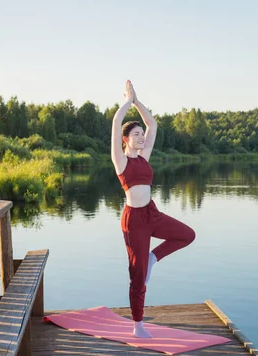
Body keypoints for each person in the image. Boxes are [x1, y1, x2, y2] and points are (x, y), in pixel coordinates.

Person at [111, 80, 196, 338]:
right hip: (134, 220)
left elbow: (153, 125)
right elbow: (116, 125)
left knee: (187, 235)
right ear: (126, 140)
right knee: (137, 276)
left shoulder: (144, 156)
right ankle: (138, 325)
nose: (141, 137)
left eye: (141, 135)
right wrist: (126, 102)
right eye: (136, 135)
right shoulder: (121, 159)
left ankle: (153, 258)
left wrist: (137, 101)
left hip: (152, 213)